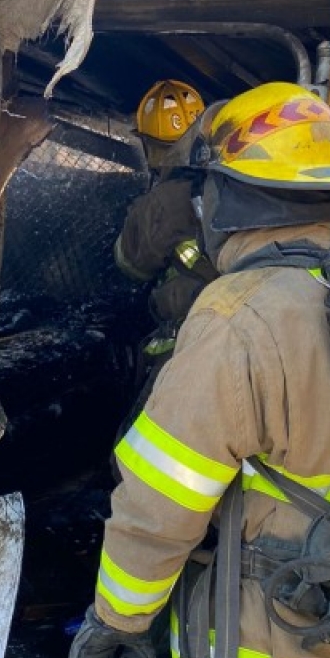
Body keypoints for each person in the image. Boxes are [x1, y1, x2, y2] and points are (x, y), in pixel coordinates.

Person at [69, 82, 330, 658]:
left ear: (231, 196)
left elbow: (160, 503)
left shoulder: (238, 318)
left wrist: (115, 620)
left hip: (269, 626)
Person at [112, 81, 219, 434]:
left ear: (151, 146)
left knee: (136, 445)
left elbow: (131, 264)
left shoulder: (162, 201)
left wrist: (137, 218)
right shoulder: (235, 184)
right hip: (237, 326)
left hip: (186, 339)